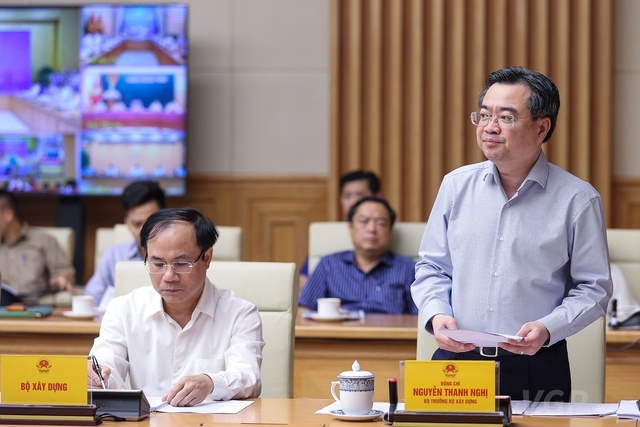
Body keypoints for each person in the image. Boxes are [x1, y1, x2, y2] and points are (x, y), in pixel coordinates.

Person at [411, 66, 612, 402]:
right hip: (456, 364)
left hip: (537, 363)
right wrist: (436, 313)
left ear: (541, 127)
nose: (490, 127)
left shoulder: (577, 199)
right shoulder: (455, 186)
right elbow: (431, 267)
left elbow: (595, 287)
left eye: (505, 117)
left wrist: (549, 327)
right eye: (484, 115)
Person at [89, 207, 264, 404]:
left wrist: (210, 382)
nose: (169, 276)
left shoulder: (240, 313)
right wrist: (98, 379)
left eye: (181, 264)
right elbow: (107, 366)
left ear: (207, 258)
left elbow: (248, 377)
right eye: (158, 264)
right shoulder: (123, 310)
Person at [299, 196, 417, 314]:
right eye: (363, 221)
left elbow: (420, 317)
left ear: (390, 230)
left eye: (381, 223)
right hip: (340, 325)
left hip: (389, 326)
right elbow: (304, 309)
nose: (371, 229)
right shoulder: (328, 264)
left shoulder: (408, 269)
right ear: (350, 227)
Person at [85, 180, 166, 308]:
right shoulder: (114, 255)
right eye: (137, 224)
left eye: (151, 222)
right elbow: (91, 301)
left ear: (165, 219)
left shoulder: (180, 258)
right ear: (127, 223)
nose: (144, 230)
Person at [299, 170, 381, 288]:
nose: (353, 202)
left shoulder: (380, 233)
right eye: (347, 196)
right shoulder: (327, 236)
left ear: (376, 197)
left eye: (360, 195)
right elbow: (303, 279)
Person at [0, 189, 75, 305]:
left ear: (8, 215)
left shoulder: (43, 240)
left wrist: (63, 278)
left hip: (33, 303)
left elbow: (65, 272)